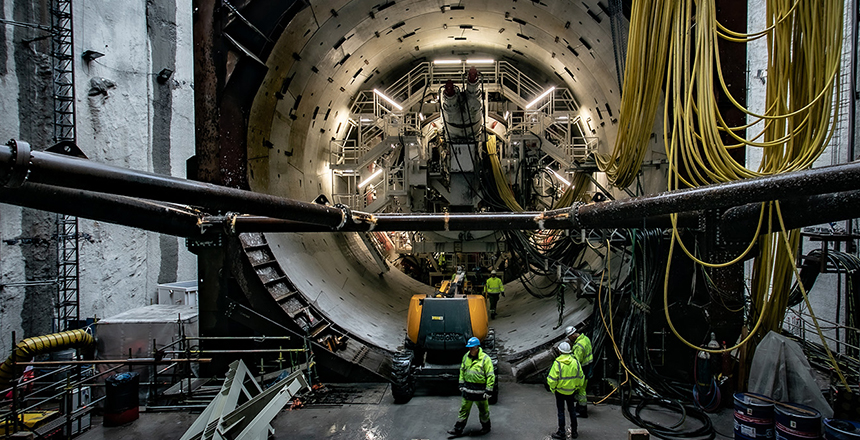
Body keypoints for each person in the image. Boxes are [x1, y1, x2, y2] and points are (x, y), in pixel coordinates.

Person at [447, 336, 495, 436]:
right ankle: (458, 429)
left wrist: (488, 390)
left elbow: (490, 375)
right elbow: (462, 370)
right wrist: (461, 383)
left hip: (480, 392)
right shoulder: (466, 357)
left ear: (477, 347)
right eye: (469, 347)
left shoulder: (485, 359)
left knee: (483, 411)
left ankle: (486, 427)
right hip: (468, 390)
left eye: (472, 347)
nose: (470, 349)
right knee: (463, 410)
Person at [547, 341, 584, 439]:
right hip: (571, 391)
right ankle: (574, 432)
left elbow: (552, 379)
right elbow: (580, 377)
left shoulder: (557, 363)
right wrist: (576, 387)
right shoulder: (575, 362)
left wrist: (553, 388)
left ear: (560, 351)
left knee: (561, 411)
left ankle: (561, 432)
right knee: (572, 411)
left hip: (559, 391)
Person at [565, 325, 593, 417]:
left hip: (583, 369)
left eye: (569, 337)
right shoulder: (585, 339)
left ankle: (582, 410)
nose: (570, 339)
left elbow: (576, 362)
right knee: (582, 388)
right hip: (588, 367)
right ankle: (579, 407)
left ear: (572, 335)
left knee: (581, 390)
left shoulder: (578, 346)